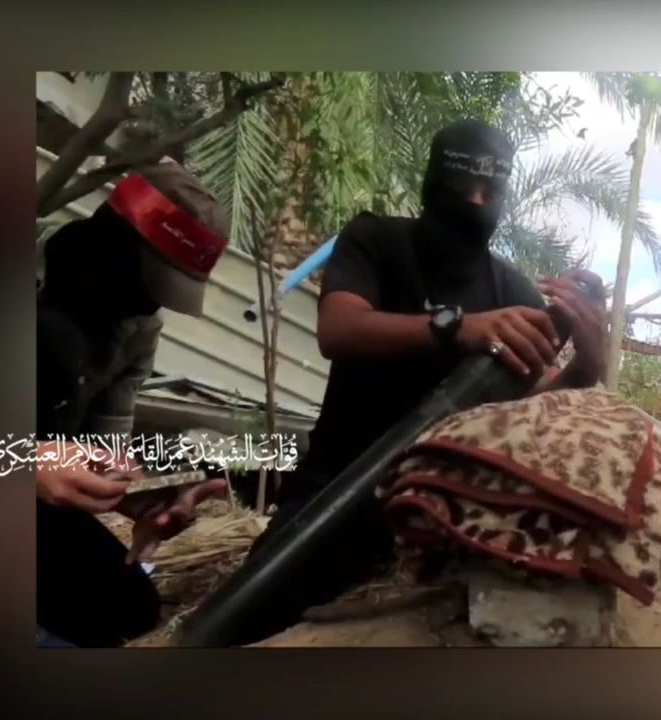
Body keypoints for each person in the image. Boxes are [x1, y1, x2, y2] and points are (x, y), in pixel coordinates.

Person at [234, 119, 610, 644]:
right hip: (337, 485)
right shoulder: (375, 241)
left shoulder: (514, 293)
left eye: (489, 190)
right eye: (462, 184)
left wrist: (585, 367)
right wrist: (456, 327)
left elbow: (528, 402)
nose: (475, 200)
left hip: (445, 508)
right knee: (247, 614)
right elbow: (338, 330)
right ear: (433, 180)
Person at [36, 160, 232, 647]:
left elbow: (99, 451)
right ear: (116, 241)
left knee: (124, 609)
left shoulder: (135, 330)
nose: (149, 305)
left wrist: (142, 498)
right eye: (149, 284)